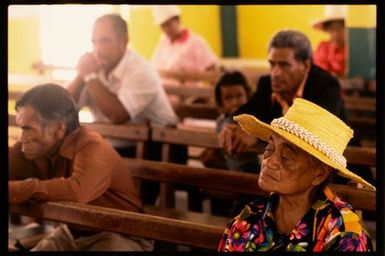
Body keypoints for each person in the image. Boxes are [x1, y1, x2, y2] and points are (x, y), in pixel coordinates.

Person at [8, 84, 154, 251]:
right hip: (71, 232)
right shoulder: (34, 147)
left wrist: (14, 190)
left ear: (58, 128)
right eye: (21, 128)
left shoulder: (92, 146)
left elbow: (77, 191)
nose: (22, 137)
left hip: (120, 234)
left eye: (28, 129)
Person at [218, 98, 375, 252]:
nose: (269, 162)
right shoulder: (247, 220)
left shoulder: (345, 236)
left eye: (286, 157)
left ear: (319, 174)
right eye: (269, 148)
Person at [219, 29, 346, 160]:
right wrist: (230, 126)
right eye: (272, 64)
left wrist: (258, 134)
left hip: (336, 168)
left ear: (306, 65)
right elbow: (246, 111)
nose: (275, 73)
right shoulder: (266, 84)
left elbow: (314, 135)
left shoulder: (326, 85)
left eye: (284, 65)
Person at [67, 13, 177, 154]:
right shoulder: (95, 67)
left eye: (105, 41)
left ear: (124, 41)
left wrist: (89, 75)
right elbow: (63, 110)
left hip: (159, 148)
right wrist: (81, 75)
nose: (98, 49)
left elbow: (117, 115)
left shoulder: (141, 70)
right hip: (116, 146)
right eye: (94, 42)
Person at [151, 5, 219, 104]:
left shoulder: (195, 42)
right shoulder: (163, 42)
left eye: (168, 25)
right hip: (164, 96)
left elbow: (213, 75)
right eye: (162, 26)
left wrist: (181, 76)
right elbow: (154, 68)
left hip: (190, 98)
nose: (166, 29)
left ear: (178, 20)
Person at [313, 5, 347, 78]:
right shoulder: (323, 47)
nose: (336, 33)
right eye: (332, 29)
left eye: (340, 28)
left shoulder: (354, 49)